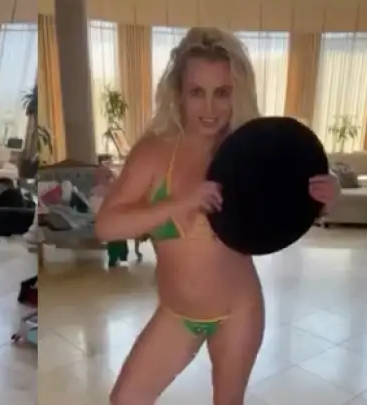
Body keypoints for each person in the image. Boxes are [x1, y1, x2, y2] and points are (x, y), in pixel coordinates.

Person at [94, 27, 339, 405]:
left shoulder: (250, 151)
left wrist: (328, 196)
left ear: (236, 93)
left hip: (238, 311)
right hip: (177, 313)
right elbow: (106, 226)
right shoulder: (153, 153)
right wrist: (181, 203)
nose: (209, 109)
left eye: (221, 93)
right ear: (178, 92)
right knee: (125, 399)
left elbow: (292, 201)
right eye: (197, 92)